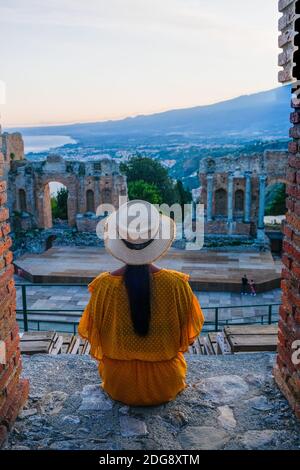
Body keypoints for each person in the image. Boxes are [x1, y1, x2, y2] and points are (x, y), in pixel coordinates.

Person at [78, 200, 204, 406]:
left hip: (118, 383)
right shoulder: (177, 284)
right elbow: (189, 335)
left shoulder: (102, 286)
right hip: (166, 382)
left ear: (120, 240)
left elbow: (93, 333)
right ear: (155, 239)